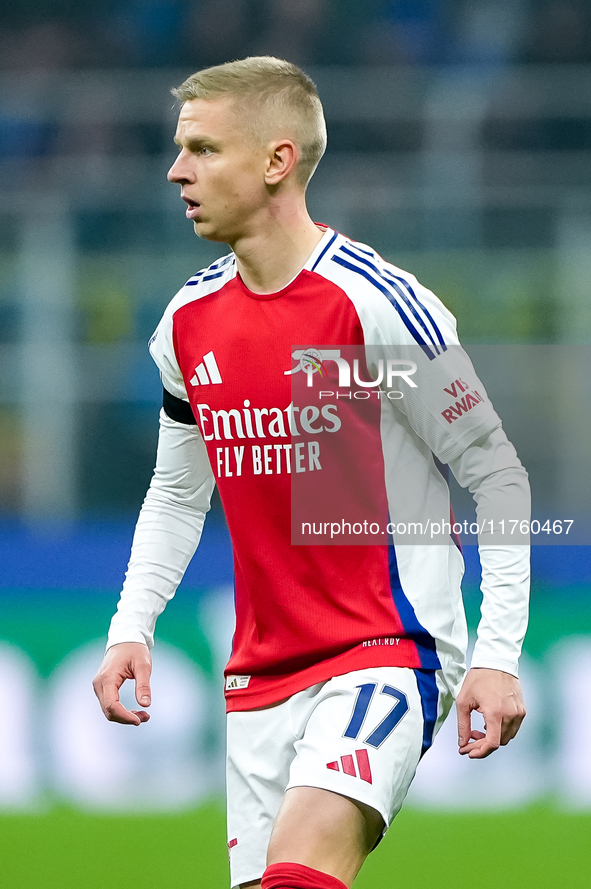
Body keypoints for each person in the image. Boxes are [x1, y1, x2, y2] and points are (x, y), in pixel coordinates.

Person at [93, 57, 529, 889]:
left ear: (275, 160)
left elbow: (495, 470)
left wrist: (497, 653)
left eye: (202, 148)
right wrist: (130, 626)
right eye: (181, 149)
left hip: (384, 646)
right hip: (259, 673)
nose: (176, 170)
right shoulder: (187, 322)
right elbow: (180, 491)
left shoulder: (372, 305)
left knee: (300, 866)